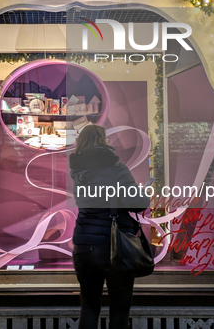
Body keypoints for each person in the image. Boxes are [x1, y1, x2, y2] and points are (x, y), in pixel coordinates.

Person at [70, 124, 150, 329]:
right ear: (103, 140)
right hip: (114, 245)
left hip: (83, 243)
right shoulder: (116, 168)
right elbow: (138, 203)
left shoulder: (77, 171)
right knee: (119, 308)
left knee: (88, 304)